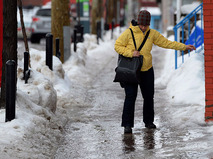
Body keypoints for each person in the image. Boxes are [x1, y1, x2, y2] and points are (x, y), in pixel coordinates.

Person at [114, 10, 195, 134]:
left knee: (148, 97)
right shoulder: (129, 33)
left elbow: (166, 43)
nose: (143, 28)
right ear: (138, 22)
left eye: (146, 25)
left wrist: (184, 47)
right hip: (131, 70)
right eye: (141, 25)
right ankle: (127, 125)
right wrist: (131, 53)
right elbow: (117, 46)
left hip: (146, 69)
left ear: (149, 24)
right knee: (130, 96)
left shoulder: (152, 34)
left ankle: (148, 122)